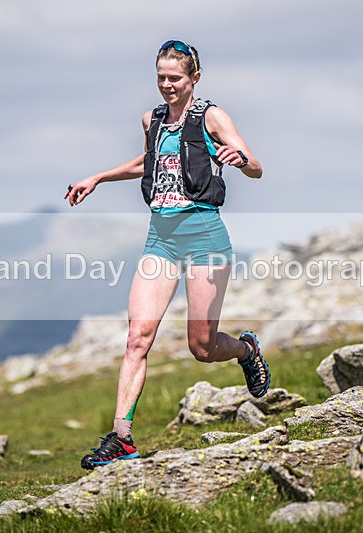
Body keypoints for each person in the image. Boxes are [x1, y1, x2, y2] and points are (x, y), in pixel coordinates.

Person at [64, 39, 270, 470]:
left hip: (205, 238)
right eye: (161, 77)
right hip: (160, 238)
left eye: (174, 78)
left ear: (195, 78)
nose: (166, 85)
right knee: (137, 337)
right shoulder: (152, 119)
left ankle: (246, 350)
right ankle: (122, 437)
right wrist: (98, 177)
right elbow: (149, 161)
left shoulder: (213, 117)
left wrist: (239, 159)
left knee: (202, 347)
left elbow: (255, 167)